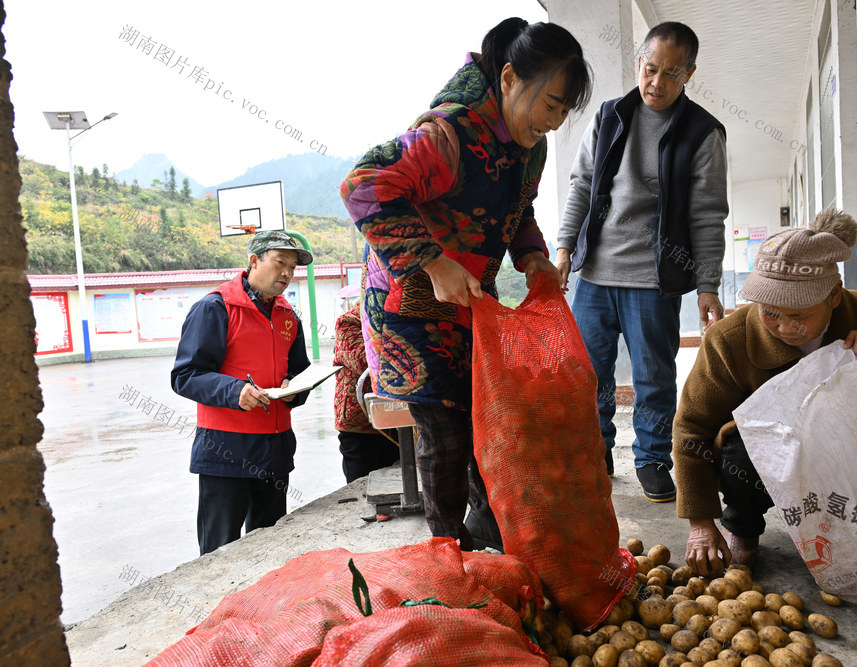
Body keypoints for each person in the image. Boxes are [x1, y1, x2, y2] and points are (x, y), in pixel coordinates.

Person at [340, 18, 592, 551]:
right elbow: (363, 186)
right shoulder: (447, 135)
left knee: (488, 423)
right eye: (550, 104)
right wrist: (433, 263)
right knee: (447, 432)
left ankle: (492, 541)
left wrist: (532, 255)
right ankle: (449, 555)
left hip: (470, 298)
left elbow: (518, 210)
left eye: (564, 111)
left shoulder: (531, 146)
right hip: (409, 303)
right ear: (509, 79)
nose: (554, 122)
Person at [675, 209, 857, 575]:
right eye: (771, 313)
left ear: (834, 296)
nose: (786, 328)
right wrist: (701, 524)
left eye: (799, 315)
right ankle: (743, 528)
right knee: (737, 449)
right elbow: (692, 428)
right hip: (773, 462)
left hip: (856, 449)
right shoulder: (728, 340)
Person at [555, 21, 729, 502]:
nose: (656, 82)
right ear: (639, 63)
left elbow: (707, 214)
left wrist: (708, 286)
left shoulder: (703, 133)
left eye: (671, 73)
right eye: (650, 69)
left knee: (653, 379)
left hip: (654, 280)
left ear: (689, 74)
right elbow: (582, 185)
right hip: (594, 275)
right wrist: (564, 249)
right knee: (589, 375)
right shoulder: (609, 116)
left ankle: (652, 460)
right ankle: (596, 453)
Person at [171, 231, 314, 555]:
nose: (287, 273)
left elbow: (299, 372)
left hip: (275, 449)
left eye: (292, 268)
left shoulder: (288, 316)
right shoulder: (215, 308)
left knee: (270, 548)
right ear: (254, 261)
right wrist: (234, 390)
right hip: (225, 450)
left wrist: (293, 389)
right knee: (220, 553)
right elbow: (185, 375)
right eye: (280, 263)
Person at [333, 300, 399, 483]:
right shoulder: (348, 322)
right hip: (360, 424)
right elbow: (364, 361)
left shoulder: (395, 319)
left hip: (394, 420)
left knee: (395, 480)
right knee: (362, 482)